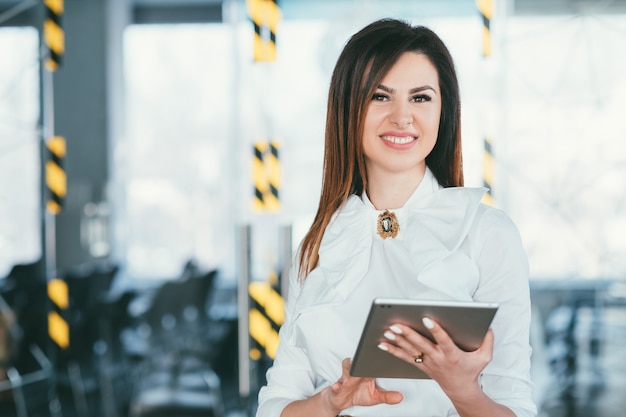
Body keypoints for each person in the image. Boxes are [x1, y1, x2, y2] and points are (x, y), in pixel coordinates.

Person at [255, 18, 536, 417]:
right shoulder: (319, 244)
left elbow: (518, 408)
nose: (402, 117)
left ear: (444, 111)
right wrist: (330, 400)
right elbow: (274, 406)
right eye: (380, 97)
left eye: (421, 98)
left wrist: (464, 393)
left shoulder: (488, 235)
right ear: (348, 108)